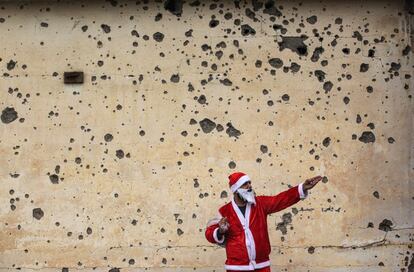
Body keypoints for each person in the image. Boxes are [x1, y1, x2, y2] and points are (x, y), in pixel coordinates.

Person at [205, 172, 322, 272]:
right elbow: (209, 233)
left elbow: (280, 199)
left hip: (262, 266)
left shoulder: (260, 204)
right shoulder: (225, 211)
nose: (249, 186)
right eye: (245, 184)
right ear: (236, 189)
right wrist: (220, 231)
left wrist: (302, 188)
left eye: (249, 183)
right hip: (236, 268)